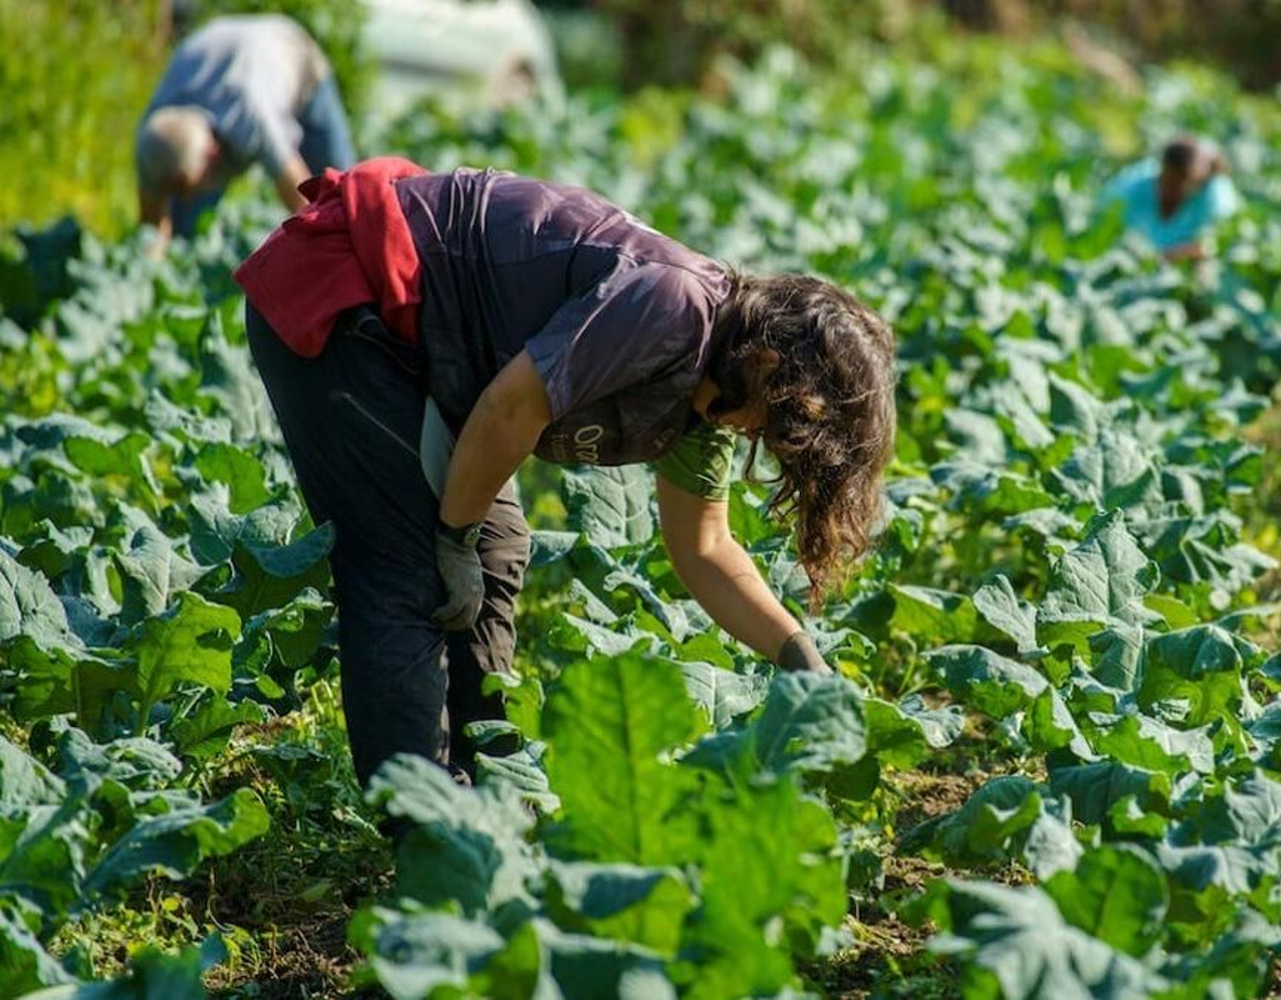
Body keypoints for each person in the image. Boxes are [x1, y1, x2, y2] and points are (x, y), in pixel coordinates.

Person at [234, 159, 898, 789]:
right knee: (407, 566)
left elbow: (705, 549)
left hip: (420, 348)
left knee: (495, 549)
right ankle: (421, 826)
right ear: (769, 365)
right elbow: (510, 408)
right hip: (348, 299)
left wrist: (797, 655)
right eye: (785, 424)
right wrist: (452, 539)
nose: (771, 442)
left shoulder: (709, 406)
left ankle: (489, 790)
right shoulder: (675, 309)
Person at [136, 14, 355, 256]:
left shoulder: (249, 115)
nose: (186, 196)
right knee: (184, 229)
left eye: (188, 184)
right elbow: (151, 227)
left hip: (297, 63)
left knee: (341, 200)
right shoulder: (154, 141)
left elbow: (299, 197)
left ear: (212, 153)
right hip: (218, 51)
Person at [1100, 136, 1240, 261]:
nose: (1173, 188)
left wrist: (1168, 257)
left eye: (1182, 183)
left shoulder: (1214, 194)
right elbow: (1107, 234)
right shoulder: (1132, 187)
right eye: (1168, 181)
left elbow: (1216, 246)